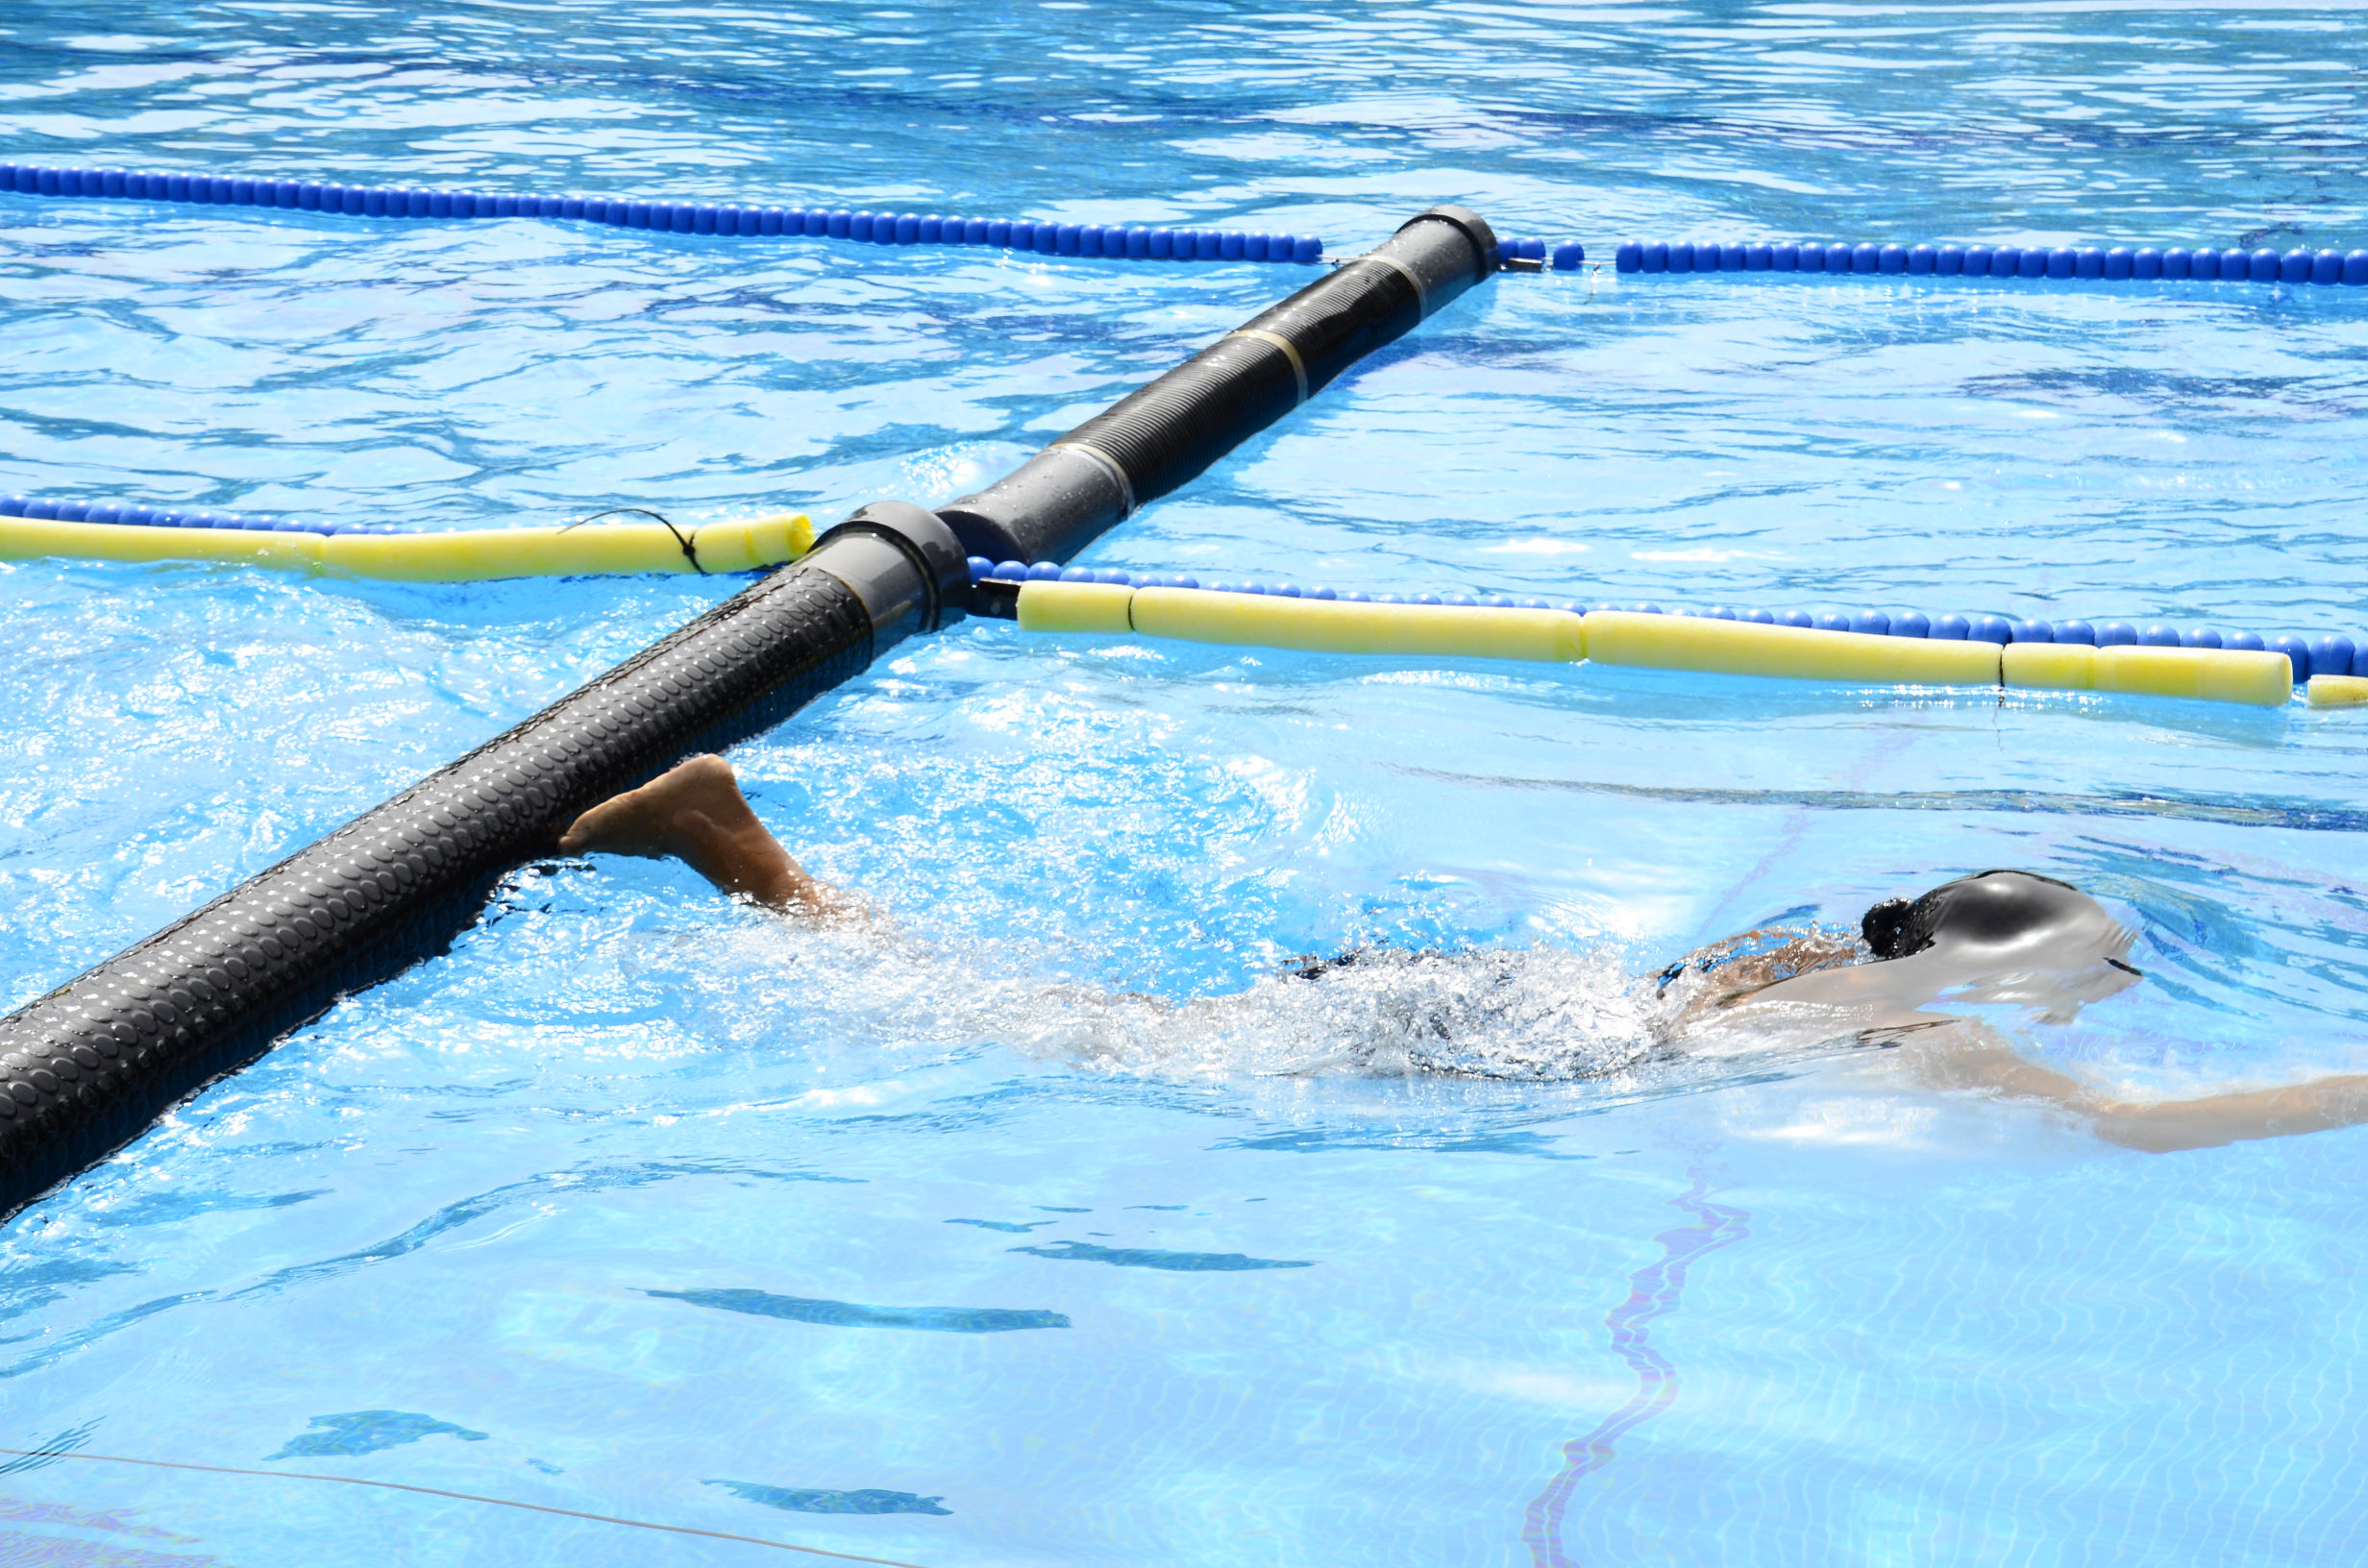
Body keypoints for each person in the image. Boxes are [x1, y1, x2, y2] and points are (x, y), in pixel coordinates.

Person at [559, 755, 2368, 1154]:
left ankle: (748, 855)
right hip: (1477, 1045)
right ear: (2010, 971)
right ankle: (738, 849)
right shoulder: (1925, 1038)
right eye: (2094, 975)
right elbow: (2146, 1127)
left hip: (1504, 1007)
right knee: (1022, 1026)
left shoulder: (1823, 963)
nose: (2101, 1004)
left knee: (1078, 1008)